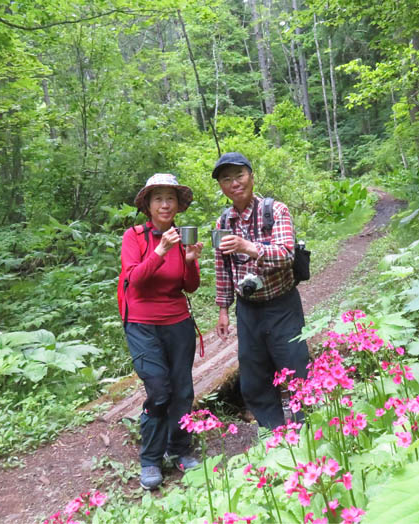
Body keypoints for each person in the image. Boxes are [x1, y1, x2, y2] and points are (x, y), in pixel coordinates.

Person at [212, 152, 309, 430]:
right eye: (226, 179)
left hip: (282, 303)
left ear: (251, 176)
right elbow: (222, 268)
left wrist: (247, 247)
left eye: (239, 176)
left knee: (294, 364)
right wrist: (223, 311)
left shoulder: (276, 211)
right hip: (248, 309)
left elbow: (286, 254)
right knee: (254, 373)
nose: (234, 183)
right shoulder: (223, 223)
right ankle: (273, 429)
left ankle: (305, 426)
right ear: (221, 186)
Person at [119, 173, 204, 490]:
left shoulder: (181, 237)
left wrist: (191, 259)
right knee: (158, 390)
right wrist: (159, 251)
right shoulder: (135, 237)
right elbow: (135, 281)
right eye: (159, 198)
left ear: (178, 205)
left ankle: (179, 449)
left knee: (182, 391)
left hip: (178, 323)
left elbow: (189, 286)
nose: (165, 204)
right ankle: (151, 459)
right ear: (148, 205)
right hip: (142, 324)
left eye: (170, 198)